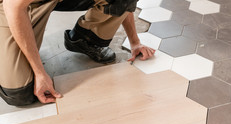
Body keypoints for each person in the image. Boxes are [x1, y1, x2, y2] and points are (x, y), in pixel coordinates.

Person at [0, 0, 155, 106]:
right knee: (20, 94)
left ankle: (86, 39)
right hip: (14, 5)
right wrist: (39, 72)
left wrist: (134, 42)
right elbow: (14, 7)